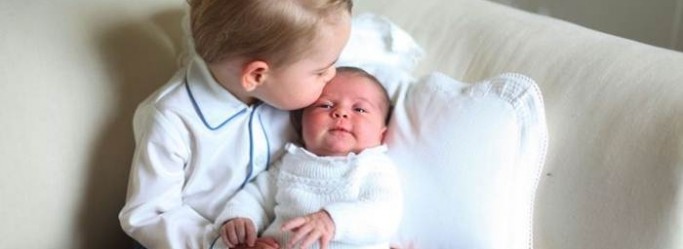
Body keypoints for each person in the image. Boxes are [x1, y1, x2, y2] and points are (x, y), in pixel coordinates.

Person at [118, 0, 353, 248]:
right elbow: (148, 215)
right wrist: (220, 243)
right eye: (321, 71)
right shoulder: (171, 119)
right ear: (256, 75)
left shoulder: (288, 89)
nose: (332, 75)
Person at [215, 67, 402, 249]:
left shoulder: (374, 166)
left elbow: (384, 214)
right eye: (325, 105)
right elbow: (257, 196)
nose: (341, 113)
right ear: (301, 125)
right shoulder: (290, 162)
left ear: (382, 135)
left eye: (360, 109)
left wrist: (332, 221)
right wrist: (240, 218)